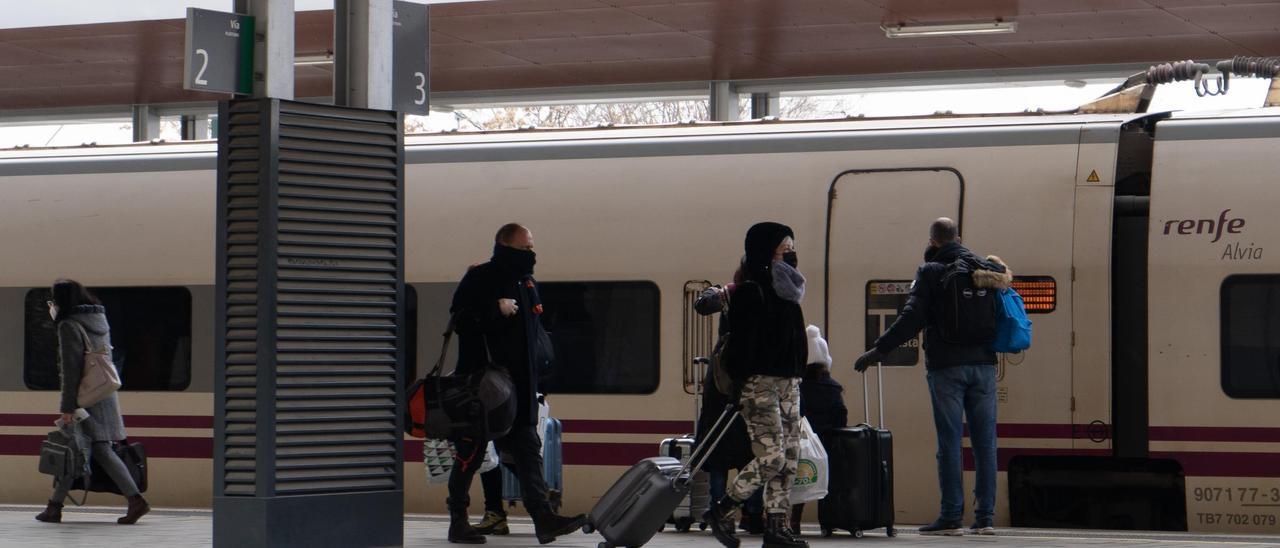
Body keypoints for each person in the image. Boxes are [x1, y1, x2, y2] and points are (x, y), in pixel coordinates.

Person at [853, 218, 1010, 536]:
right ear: (959, 238)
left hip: (946, 368)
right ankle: (986, 518)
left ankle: (952, 517)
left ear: (933, 242)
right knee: (985, 444)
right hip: (984, 366)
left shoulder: (930, 272)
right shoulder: (987, 269)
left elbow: (911, 318)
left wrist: (878, 351)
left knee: (950, 443)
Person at [445, 223, 587, 545]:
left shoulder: (527, 283)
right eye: (525, 248)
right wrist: (494, 309)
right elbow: (461, 321)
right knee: (471, 451)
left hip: (521, 387)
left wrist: (539, 379)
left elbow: (532, 337)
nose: (531, 253)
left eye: (531, 247)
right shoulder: (481, 277)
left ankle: (543, 518)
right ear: (505, 246)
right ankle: (458, 520)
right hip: (485, 387)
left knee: (528, 450)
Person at [705, 222, 808, 548]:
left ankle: (777, 527)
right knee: (772, 457)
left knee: (789, 458)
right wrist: (740, 383)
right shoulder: (750, 291)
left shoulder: (789, 290)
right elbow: (740, 345)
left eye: (792, 248)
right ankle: (723, 509)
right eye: (785, 248)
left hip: (789, 383)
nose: (791, 254)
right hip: (759, 384)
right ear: (766, 251)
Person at [36, 279, 150, 525]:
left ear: (61, 301)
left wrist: (67, 407)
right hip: (103, 393)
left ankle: (135, 500)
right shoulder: (98, 320)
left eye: (54, 299)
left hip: (84, 398)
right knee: (77, 449)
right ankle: (54, 507)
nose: (52, 304)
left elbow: (71, 370)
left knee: (86, 448)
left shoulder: (68, 325)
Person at [693, 275, 766, 535]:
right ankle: (754, 514)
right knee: (754, 456)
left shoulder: (723, 351)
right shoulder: (765, 299)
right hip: (749, 395)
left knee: (719, 459)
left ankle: (720, 513)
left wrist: (719, 293)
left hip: (720, 396)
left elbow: (703, 304)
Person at [789, 325, 847, 534]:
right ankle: (827, 522)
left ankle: (793, 521)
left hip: (801, 442)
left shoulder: (797, 385)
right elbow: (841, 414)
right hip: (829, 444)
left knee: (798, 480)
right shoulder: (834, 387)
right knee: (826, 480)